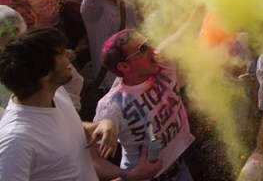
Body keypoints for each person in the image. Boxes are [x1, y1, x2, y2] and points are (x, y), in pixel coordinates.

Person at [0, 27, 156, 181]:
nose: (69, 54)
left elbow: (56, 130)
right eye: (61, 54)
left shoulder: (56, 93)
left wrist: (97, 125)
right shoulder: (15, 141)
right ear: (44, 75)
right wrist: (129, 177)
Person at [94, 29, 193, 181]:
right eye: (142, 49)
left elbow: (189, 27)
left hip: (181, 168)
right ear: (124, 67)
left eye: (148, 43)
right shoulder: (112, 106)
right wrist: (129, 176)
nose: (152, 50)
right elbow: (94, 160)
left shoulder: (161, 62)